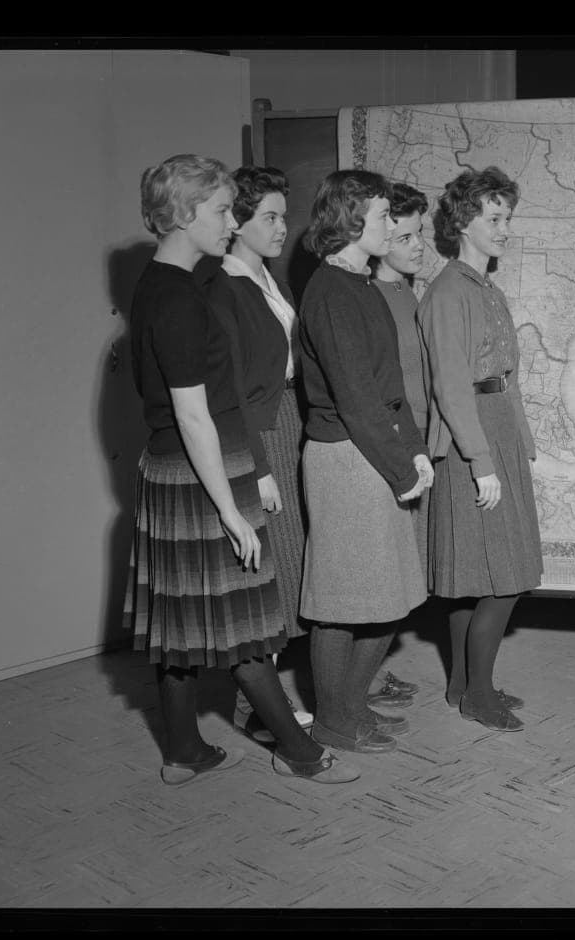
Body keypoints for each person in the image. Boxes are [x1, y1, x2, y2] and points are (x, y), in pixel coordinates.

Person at [123, 154, 357, 786]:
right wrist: (231, 508)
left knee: (180, 626)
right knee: (248, 628)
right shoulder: (180, 299)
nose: (232, 222)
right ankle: (298, 753)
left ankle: (183, 752)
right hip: (206, 475)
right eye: (223, 210)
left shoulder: (160, 285)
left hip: (173, 473)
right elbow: (195, 415)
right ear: (185, 213)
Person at [297, 170, 434, 753]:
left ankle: (350, 709)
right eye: (381, 217)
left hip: (373, 451)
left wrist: (415, 449)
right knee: (343, 600)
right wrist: (403, 468)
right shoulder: (330, 292)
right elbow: (355, 396)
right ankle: (334, 719)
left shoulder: (361, 285)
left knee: (386, 597)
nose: (391, 226)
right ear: (351, 220)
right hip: (346, 459)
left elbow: (389, 386)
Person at [418, 166, 542, 732]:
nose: (505, 229)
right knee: (502, 576)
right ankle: (479, 693)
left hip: (496, 431)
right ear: (464, 222)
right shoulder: (448, 292)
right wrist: (482, 463)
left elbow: (503, 376)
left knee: (476, 574)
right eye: (495, 218)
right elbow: (450, 384)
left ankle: (463, 685)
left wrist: (519, 440)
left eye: (508, 217)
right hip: (473, 440)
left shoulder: (483, 287)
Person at [203, 166, 314, 741]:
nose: (281, 226)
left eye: (282, 215)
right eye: (269, 216)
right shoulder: (223, 289)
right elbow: (234, 393)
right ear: (238, 222)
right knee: (266, 573)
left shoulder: (270, 280)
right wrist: (261, 470)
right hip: (260, 436)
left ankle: (266, 695)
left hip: (290, 424)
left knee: (289, 566)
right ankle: (264, 706)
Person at [366, 181, 431, 710]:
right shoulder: (372, 298)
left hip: (419, 444)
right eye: (405, 236)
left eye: (420, 234)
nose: (418, 245)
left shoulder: (408, 290)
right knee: (384, 570)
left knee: (404, 570)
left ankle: (372, 671)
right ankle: (357, 681)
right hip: (393, 451)